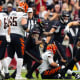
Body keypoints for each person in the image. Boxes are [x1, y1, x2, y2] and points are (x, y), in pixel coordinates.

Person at [6, 4, 28, 80]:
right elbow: (24, 25)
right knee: (20, 57)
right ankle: (18, 76)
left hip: (10, 35)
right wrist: (29, 30)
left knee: (9, 56)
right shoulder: (23, 14)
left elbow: (7, 25)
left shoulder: (11, 13)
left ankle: (2, 70)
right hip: (18, 36)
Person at [0, 8, 10, 79]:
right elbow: (9, 28)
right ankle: (6, 73)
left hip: (0, 36)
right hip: (5, 37)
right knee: (2, 57)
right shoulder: (6, 16)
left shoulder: (0, 16)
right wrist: (8, 35)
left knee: (1, 57)